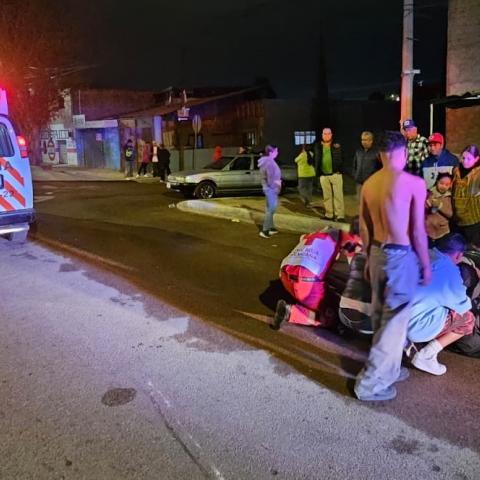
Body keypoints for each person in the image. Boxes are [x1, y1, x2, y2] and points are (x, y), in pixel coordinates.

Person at [354, 130, 431, 402]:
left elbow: (363, 226)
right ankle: (370, 384)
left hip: (376, 252)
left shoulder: (369, 184)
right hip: (400, 255)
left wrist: (367, 257)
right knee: (394, 320)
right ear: (405, 152)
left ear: (379, 155)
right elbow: (418, 231)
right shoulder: (413, 183)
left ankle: (390, 368)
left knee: (380, 316)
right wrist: (425, 263)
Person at [271, 224, 361, 330]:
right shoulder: (349, 239)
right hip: (306, 283)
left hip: (285, 274)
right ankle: (290, 312)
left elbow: (302, 238)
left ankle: (304, 302)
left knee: (326, 283)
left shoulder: (318, 233)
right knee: (331, 315)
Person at [407, 233, 474, 374]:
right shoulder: (449, 270)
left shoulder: (421, 253)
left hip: (391, 317)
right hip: (413, 326)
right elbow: (463, 306)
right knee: (467, 319)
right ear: (458, 255)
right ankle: (426, 355)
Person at [314, 128, 345, 221]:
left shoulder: (337, 145)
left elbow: (344, 157)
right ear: (322, 135)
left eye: (328, 133)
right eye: (325, 133)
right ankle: (329, 214)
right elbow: (315, 158)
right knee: (326, 196)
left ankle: (340, 215)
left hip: (336, 174)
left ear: (331, 135)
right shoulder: (317, 146)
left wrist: (341, 169)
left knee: (338, 196)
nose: (326, 135)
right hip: (323, 175)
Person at [452, 144, 480, 243]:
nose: (465, 161)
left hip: (473, 222)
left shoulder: (477, 174)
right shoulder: (456, 171)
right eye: (463, 158)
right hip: (458, 221)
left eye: (469, 159)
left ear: (476, 159)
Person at [258, 145, 281, 238]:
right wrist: (276, 187)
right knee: (270, 209)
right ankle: (265, 230)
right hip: (271, 189)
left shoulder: (266, 161)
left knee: (270, 209)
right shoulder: (269, 162)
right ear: (271, 153)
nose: (277, 153)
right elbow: (271, 177)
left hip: (268, 188)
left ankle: (270, 228)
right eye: (276, 151)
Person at [425, 172, 453, 243]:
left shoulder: (450, 197)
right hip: (427, 231)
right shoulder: (429, 194)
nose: (443, 186)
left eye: (447, 184)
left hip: (443, 232)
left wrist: (440, 205)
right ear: (437, 182)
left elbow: (451, 214)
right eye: (441, 183)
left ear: (450, 185)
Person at [352, 131, 380, 200]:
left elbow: (381, 169)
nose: (363, 142)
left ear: (371, 141)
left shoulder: (377, 152)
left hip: (372, 185)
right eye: (362, 139)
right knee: (360, 204)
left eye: (366, 140)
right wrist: (355, 175)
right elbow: (354, 165)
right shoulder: (358, 151)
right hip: (359, 184)